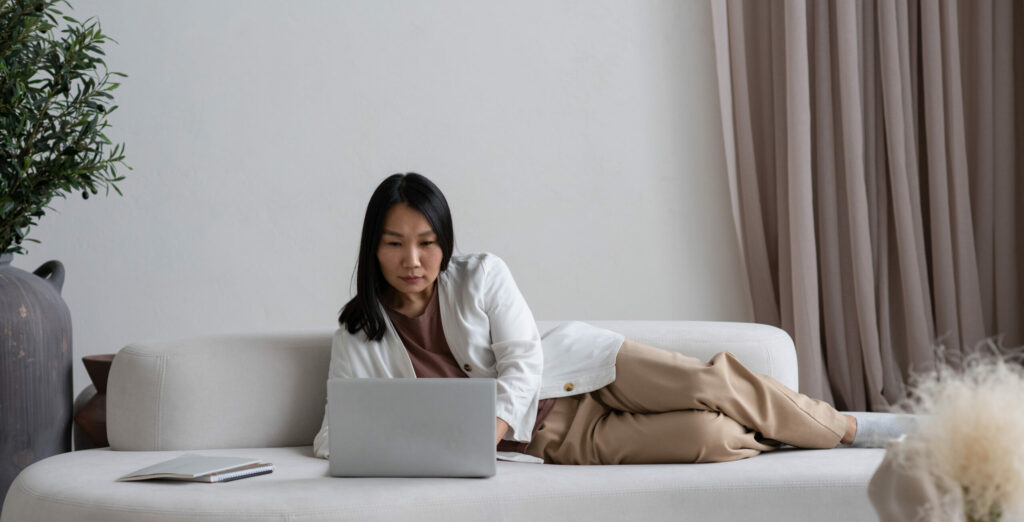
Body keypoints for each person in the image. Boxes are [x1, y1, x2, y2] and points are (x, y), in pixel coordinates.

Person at [313, 172, 909, 463]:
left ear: (444, 241)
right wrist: (416, 446)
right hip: (551, 437)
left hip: (585, 369)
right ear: (373, 247)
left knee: (711, 384)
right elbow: (332, 436)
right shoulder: (357, 333)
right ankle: (792, 435)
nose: (411, 260)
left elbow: (523, 365)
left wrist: (479, 434)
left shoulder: (483, 274)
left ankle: (854, 429)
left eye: (425, 242)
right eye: (394, 244)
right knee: (709, 437)